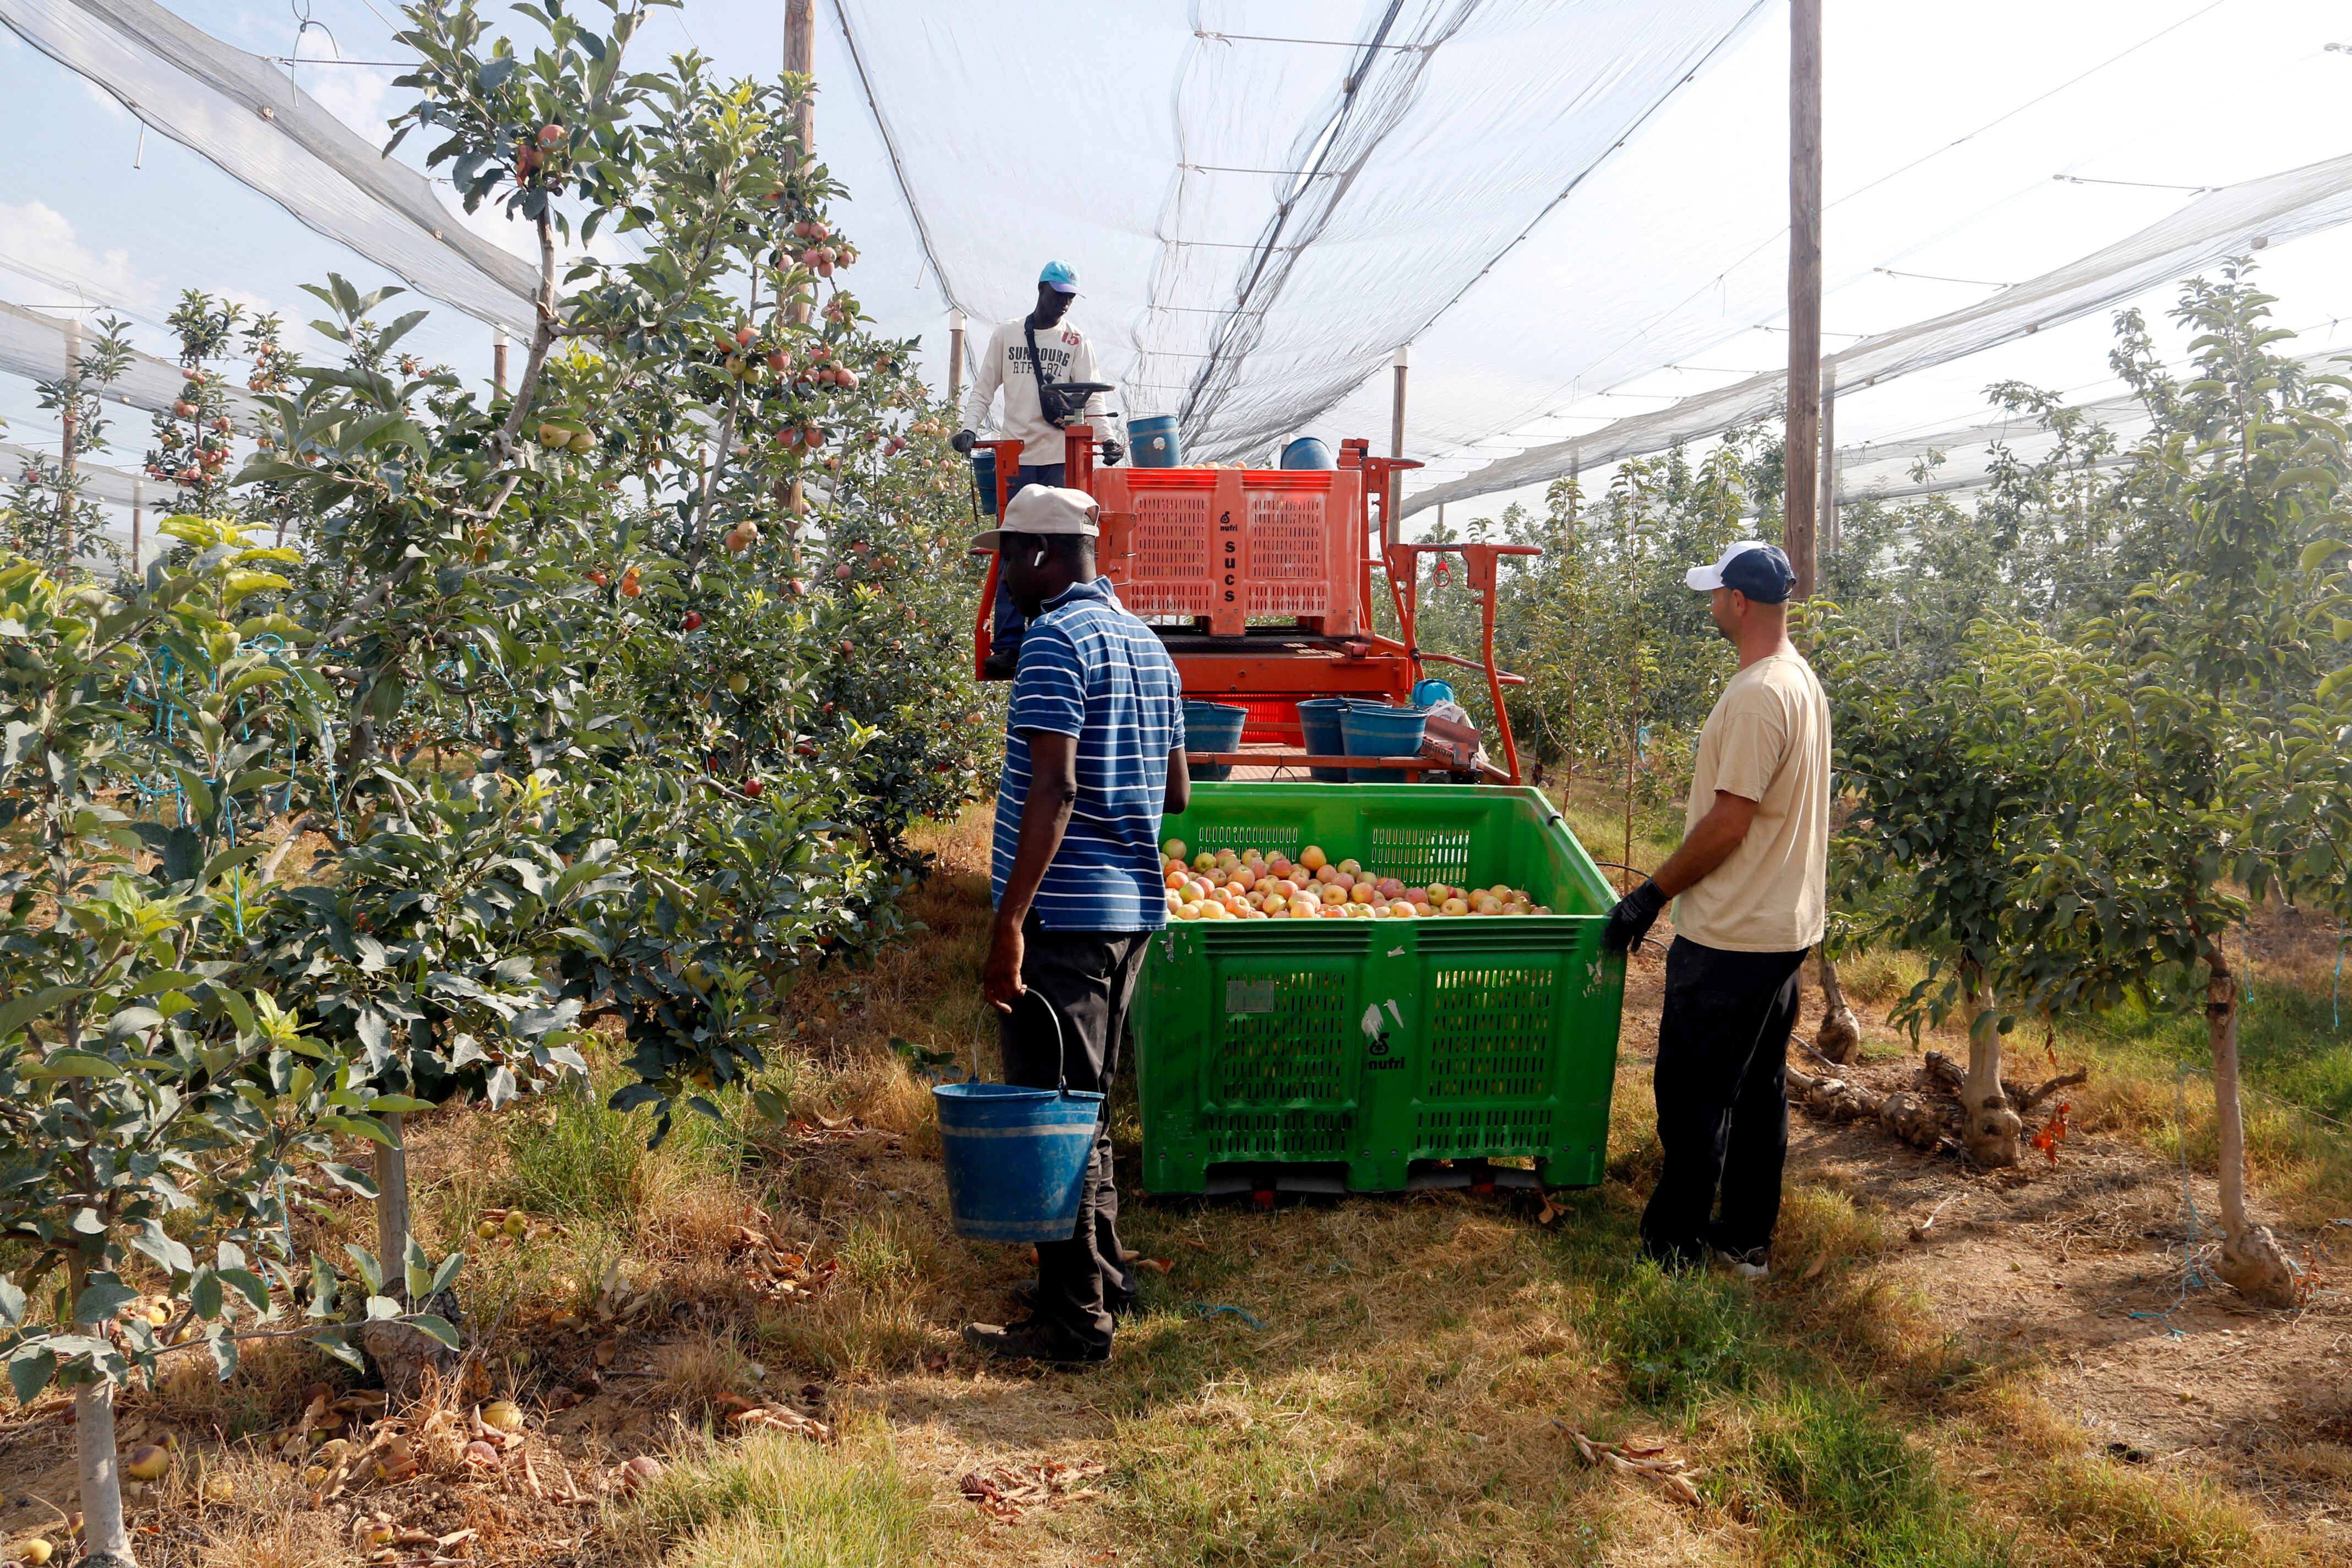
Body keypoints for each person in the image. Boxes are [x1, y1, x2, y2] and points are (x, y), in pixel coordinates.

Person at [961, 484, 1187, 1366]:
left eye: (1008, 557)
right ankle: (1107, 1278)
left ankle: (1074, 1324)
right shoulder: (1148, 647)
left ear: (1044, 556)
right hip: (1129, 911)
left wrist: (1010, 922)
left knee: (1054, 1114)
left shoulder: (1056, 641)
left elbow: (1053, 792)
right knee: (1085, 1105)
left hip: (1064, 916)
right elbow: (1175, 792)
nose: (1004, 576)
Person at [1598, 541, 1830, 1280]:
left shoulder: (1761, 693)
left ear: (1740, 602)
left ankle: (1675, 1251)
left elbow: (1730, 825)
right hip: (1783, 925)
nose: (1709, 606)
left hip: (1735, 933)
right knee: (1757, 1090)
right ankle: (1745, 1241)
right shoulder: (1800, 682)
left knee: (1693, 1093)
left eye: (1715, 594)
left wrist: (1649, 896)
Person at [954, 262, 1124, 677]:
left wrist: (1106, 439)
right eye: (1059, 294)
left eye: (1071, 296)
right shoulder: (1008, 334)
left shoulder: (1076, 340)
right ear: (1041, 290)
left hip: (1060, 458)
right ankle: (1010, 645)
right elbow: (984, 388)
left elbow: (1093, 398)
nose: (1064, 302)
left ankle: (1060, 633)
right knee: (1015, 550)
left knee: (1064, 549)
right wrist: (967, 428)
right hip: (1017, 458)